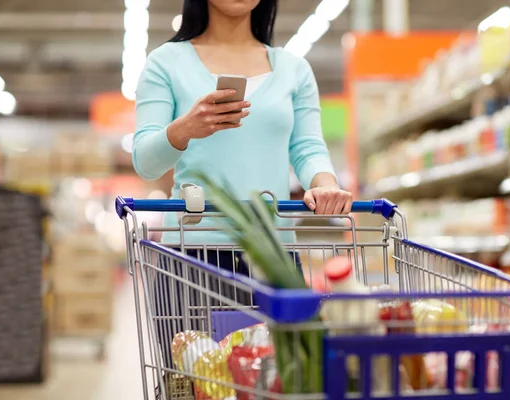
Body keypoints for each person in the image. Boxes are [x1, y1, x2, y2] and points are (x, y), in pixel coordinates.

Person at [131, 0, 352, 388]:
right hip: (190, 256)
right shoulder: (166, 62)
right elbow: (145, 161)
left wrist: (325, 183)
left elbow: (307, 148)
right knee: (195, 387)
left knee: (276, 385)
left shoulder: (293, 69)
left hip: (273, 257)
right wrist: (184, 128)